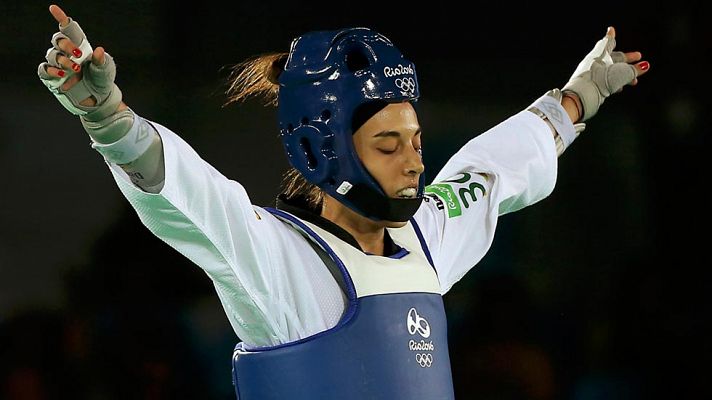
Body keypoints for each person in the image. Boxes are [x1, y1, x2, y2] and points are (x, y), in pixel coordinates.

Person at [37, 4, 649, 399]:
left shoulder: (427, 240)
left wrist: (580, 96)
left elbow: (492, 171)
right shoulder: (281, 260)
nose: (414, 161)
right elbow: (192, 198)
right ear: (325, 150)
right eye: (388, 144)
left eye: (413, 140)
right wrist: (108, 116)